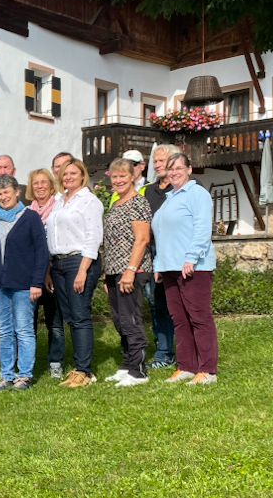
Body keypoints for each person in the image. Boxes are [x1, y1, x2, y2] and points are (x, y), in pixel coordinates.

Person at [153, 153, 218, 385]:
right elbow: (162, 235)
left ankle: (208, 370)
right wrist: (159, 264)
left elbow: (202, 228)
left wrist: (191, 257)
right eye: (170, 169)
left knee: (199, 317)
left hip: (193, 267)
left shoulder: (196, 193)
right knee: (179, 319)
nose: (174, 172)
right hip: (170, 267)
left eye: (179, 168)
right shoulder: (169, 197)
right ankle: (187, 366)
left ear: (189, 169)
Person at [0, 175, 48, 391]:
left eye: (6, 192)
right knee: (5, 331)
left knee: (24, 330)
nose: (3, 197)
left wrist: (36, 282)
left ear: (16, 192)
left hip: (23, 285)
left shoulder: (30, 217)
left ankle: (24, 375)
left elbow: (41, 252)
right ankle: (6, 375)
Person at [46, 159, 103, 388]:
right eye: (65, 173)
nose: (68, 176)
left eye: (73, 173)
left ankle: (84, 372)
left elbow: (93, 236)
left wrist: (82, 271)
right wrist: (50, 268)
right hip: (59, 264)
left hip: (79, 261)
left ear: (82, 175)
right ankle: (79, 366)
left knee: (80, 316)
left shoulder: (89, 201)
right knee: (69, 317)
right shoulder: (59, 200)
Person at [101, 158, 154, 387]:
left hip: (132, 269)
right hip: (114, 270)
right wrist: (107, 273)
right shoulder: (116, 203)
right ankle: (126, 365)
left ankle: (138, 370)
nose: (119, 180)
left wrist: (130, 271)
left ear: (132, 176)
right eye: (115, 176)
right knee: (119, 320)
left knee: (131, 320)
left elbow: (142, 239)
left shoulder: (138, 202)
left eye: (123, 175)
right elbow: (110, 242)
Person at [143, 144, 180, 369]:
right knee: (156, 304)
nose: (157, 165)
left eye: (161, 160)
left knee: (178, 303)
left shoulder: (180, 189)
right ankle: (164, 351)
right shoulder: (149, 191)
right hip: (152, 252)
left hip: (174, 252)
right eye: (155, 161)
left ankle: (180, 351)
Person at [27, 168, 65, 379]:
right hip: (31, 275)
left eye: (44, 182)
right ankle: (28, 363)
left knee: (54, 321)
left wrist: (47, 271)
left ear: (52, 186)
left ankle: (55, 361)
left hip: (54, 271)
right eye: (35, 183)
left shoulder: (59, 209)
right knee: (28, 323)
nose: (40, 186)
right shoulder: (26, 212)